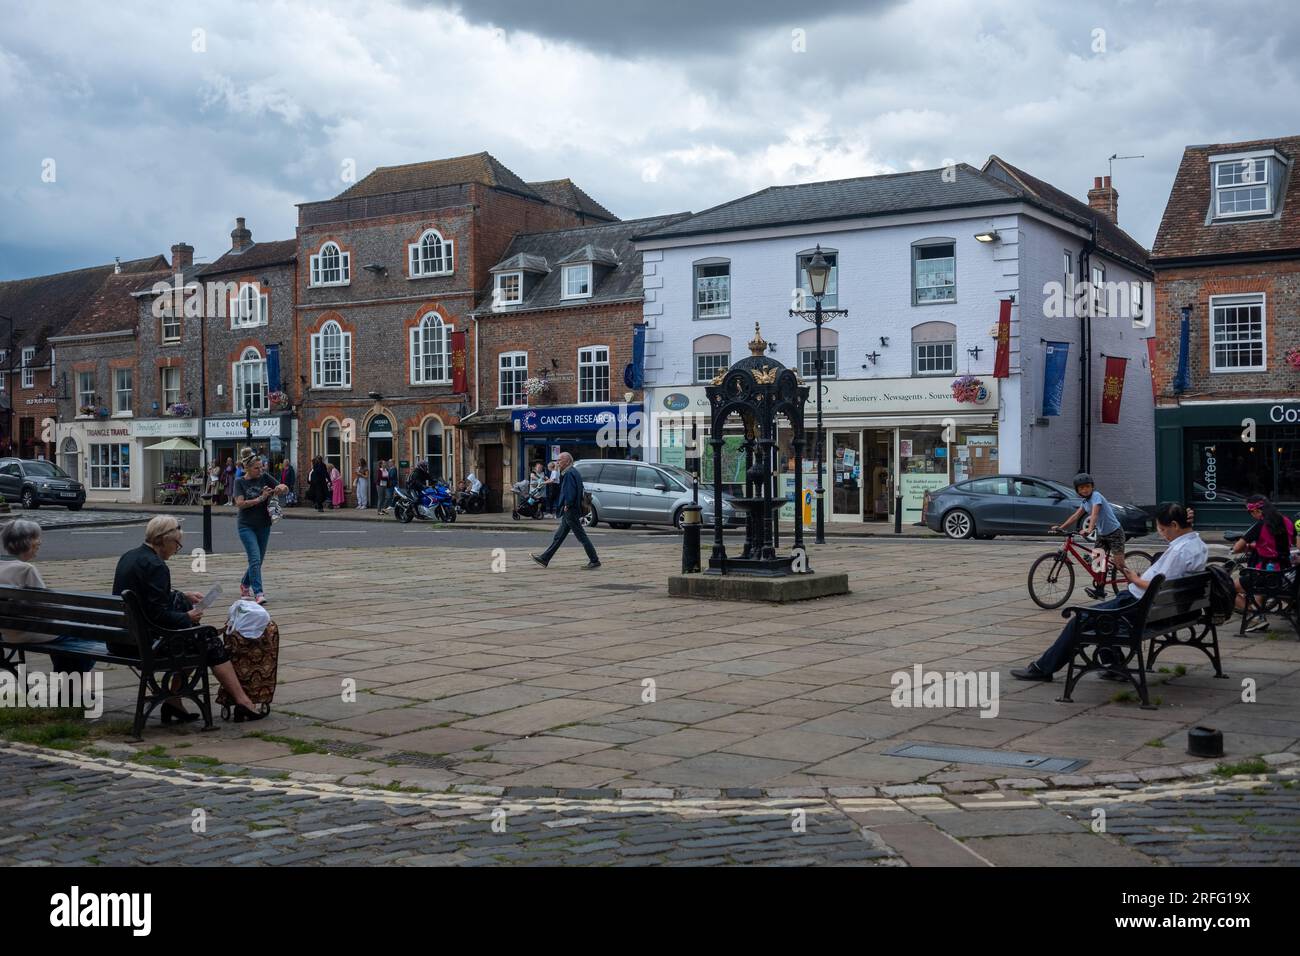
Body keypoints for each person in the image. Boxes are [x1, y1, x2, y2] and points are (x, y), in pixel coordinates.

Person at [1013, 502, 1206, 681]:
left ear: (1175, 525)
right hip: (1166, 609)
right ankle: (1115, 665)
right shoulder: (1197, 544)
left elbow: (1159, 586)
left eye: (1163, 530)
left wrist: (1135, 579)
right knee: (1098, 616)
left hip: (1138, 606)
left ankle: (1042, 669)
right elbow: (1166, 581)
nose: (1162, 534)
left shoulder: (1180, 550)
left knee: (1079, 621)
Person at [112, 516, 266, 723]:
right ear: (164, 540)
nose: (177, 549)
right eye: (177, 544)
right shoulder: (157, 566)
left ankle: (174, 701)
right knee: (208, 642)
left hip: (121, 639)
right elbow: (158, 616)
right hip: (147, 645)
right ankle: (242, 701)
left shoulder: (129, 557)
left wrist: (183, 596)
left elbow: (146, 598)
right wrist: (187, 616)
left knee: (195, 638)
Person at [0, 519, 95, 674]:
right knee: (85, 634)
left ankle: (68, 686)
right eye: (37, 537)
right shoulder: (26, 569)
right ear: (26, 541)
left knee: (64, 635)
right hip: (29, 632)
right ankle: (71, 688)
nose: (40, 542)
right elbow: (45, 607)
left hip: (8, 632)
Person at [1052, 472, 1127, 596]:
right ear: (1078, 490)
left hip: (1115, 533)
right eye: (1081, 488)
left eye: (1087, 486)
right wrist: (1060, 527)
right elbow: (1076, 515)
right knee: (1097, 563)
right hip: (1103, 535)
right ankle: (1100, 590)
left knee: (1119, 565)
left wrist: (1089, 529)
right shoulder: (1085, 503)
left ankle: (1135, 581)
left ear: (1092, 487)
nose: (1085, 489)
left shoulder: (1096, 496)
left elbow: (1095, 513)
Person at [1232, 494, 1296, 630]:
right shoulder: (1288, 521)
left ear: (1256, 510)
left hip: (1266, 575)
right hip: (1286, 575)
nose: (1251, 515)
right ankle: (1258, 613)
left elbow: (1237, 548)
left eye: (1250, 512)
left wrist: (1246, 546)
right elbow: (1285, 544)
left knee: (1227, 587)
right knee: (1258, 579)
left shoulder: (1260, 525)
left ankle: (1255, 616)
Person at [233, 448, 288, 606]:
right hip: (246, 525)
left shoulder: (264, 477)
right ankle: (258, 592)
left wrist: (281, 488)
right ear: (247, 468)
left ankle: (244, 584)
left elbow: (284, 488)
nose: (260, 470)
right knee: (255, 558)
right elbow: (240, 503)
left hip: (264, 524)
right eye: (256, 468)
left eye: (261, 466)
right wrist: (260, 498)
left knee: (258, 560)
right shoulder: (240, 482)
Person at [531, 451, 600, 569]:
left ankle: (594, 560)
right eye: (557, 460)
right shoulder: (574, 472)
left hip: (570, 509)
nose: (558, 462)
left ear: (568, 461)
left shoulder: (568, 474)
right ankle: (545, 558)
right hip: (572, 509)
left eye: (560, 460)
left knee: (581, 536)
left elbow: (570, 491)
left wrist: (567, 504)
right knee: (559, 536)